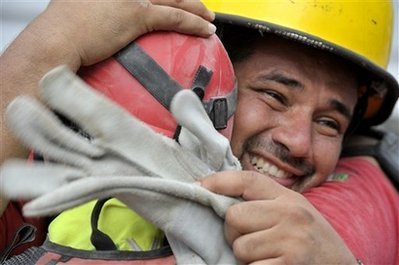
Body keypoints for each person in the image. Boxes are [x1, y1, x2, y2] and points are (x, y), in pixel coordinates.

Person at [0, 0, 398, 264]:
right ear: (198, 80)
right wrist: (49, 45)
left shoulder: (359, 195)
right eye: (275, 96)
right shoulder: (49, 155)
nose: (298, 142)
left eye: (329, 122)